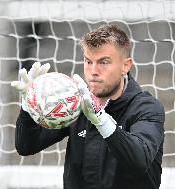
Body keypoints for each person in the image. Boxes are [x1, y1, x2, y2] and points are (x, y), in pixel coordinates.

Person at [11, 24, 165, 189]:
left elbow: (139, 160)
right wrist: (30, 105)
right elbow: (26, 146)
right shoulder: (74, 104)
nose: (93, 71)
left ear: (125, 66)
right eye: (88, 61)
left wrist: (101, 119)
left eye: (104, 62)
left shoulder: (147, 108)